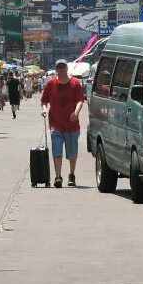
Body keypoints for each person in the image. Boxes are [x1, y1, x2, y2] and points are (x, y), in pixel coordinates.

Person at [41, 59, 86, 188]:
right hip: (55, 123)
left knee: (72, 152)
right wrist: (44, 110)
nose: (61, 69)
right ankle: (58, 176)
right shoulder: (51, 83)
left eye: (63, 67)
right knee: (56, 149)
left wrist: (76, 112)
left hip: (72, 124)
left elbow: (80, 100)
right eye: (59, 67)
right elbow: (44, 101)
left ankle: (71, 174)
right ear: (56, 69)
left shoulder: (75, 83)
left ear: (67, 69)